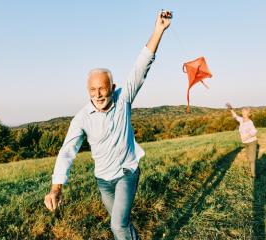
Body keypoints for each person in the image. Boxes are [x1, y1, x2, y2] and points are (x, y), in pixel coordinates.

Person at [44, 11, 172, 239]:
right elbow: (67, 152)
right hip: (103, 180)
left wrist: (158, 30)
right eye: (93, 90)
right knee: (121, 223)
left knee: (118, 226)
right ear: (88, 91)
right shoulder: (82, 118)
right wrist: (56, 188)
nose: (98, 94)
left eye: (103, 88)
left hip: (126, 173)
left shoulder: (123, 100)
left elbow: (141, 66)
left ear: (112, 87)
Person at [226, 103, 258, 178]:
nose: (243, 114)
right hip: (245, 143)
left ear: (248, 114)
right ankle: (251, 170)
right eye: (243, 113)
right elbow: (235, 116)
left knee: (251, 159)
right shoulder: (241, 120)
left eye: (245, 113)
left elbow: (254, 131)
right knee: (248, 158)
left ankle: (253, 175)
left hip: (252, 142)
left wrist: (246, 137)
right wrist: (231, 109)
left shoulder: (250, 122)